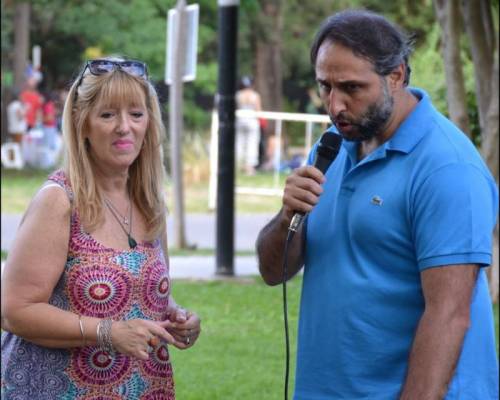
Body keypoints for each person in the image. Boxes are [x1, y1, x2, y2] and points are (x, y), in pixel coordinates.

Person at [256, 9, 498, 400]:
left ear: (396, 76)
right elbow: (273, 271)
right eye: (325, 87)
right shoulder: (331, 147)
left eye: (351, 88)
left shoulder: (447, 169)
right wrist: (287, 217)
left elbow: (449, 317)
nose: (334, 106)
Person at [1, 57, 201, 399]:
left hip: (139, 387)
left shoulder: (150, 204)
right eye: (108, 115)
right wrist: (107, 332)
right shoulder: (59, 201)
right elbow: (13, 310)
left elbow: (133, 295)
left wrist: (175, 316)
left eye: (136, 114)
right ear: (83, 124)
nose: (125, 127)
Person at [236, 76, 262, 175]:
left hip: (240, 120)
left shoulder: (238, 95)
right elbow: (258, 109)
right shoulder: (255, 95)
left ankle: (239, 165)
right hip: (252, 120)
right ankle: (249, 167)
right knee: (252, 143)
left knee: (239, 143)